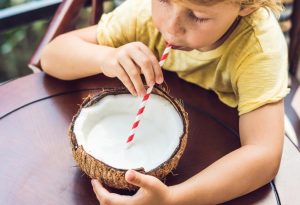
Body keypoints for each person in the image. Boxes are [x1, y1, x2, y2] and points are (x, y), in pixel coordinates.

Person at [41, 0, 290, 204]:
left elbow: (263, 155)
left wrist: (173, 199)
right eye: (163, 1)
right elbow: (52, 56)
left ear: (247, 6)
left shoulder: (258, 48)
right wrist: (106, 57)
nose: (171, 28)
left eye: (197, 16)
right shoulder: (142, 17)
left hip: (222, 152)